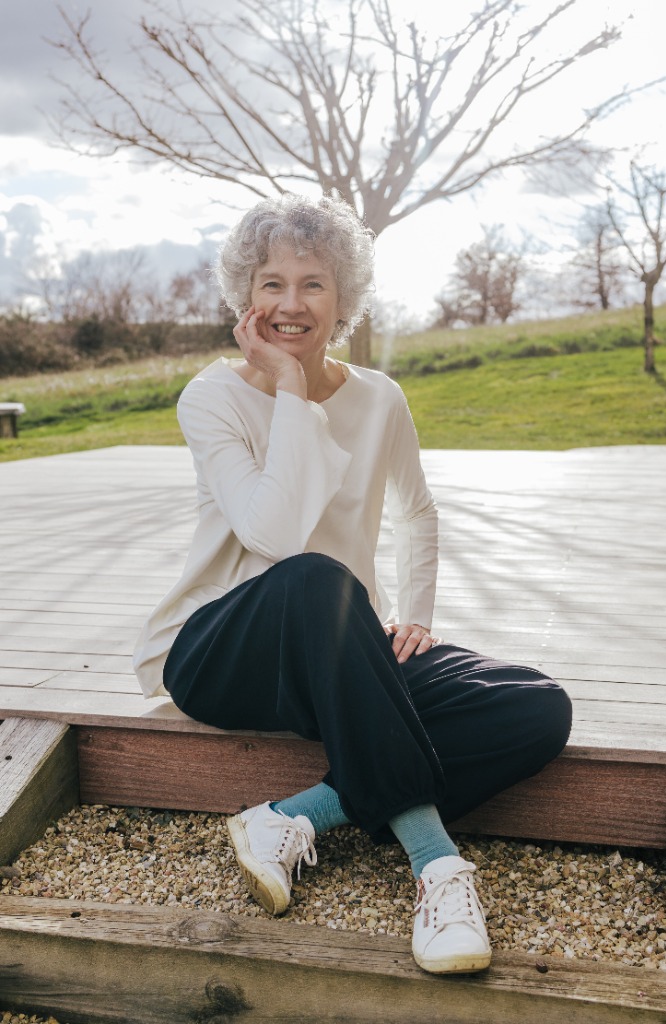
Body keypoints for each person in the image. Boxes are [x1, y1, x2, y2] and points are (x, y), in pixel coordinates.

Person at [133, 193, 572, 975]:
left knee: (535, 706)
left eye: (313, 284)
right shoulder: (212, 397)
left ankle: (292, 818)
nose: (290, 304)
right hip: (220, 651)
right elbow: (273, 534)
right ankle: (438, 869)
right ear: (245, 296)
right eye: (271, 283)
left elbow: (418, 511)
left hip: (342, 650)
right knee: (317, 580)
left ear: (343, 302)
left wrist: (418, 616)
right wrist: (292, 393)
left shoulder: (378, 397)